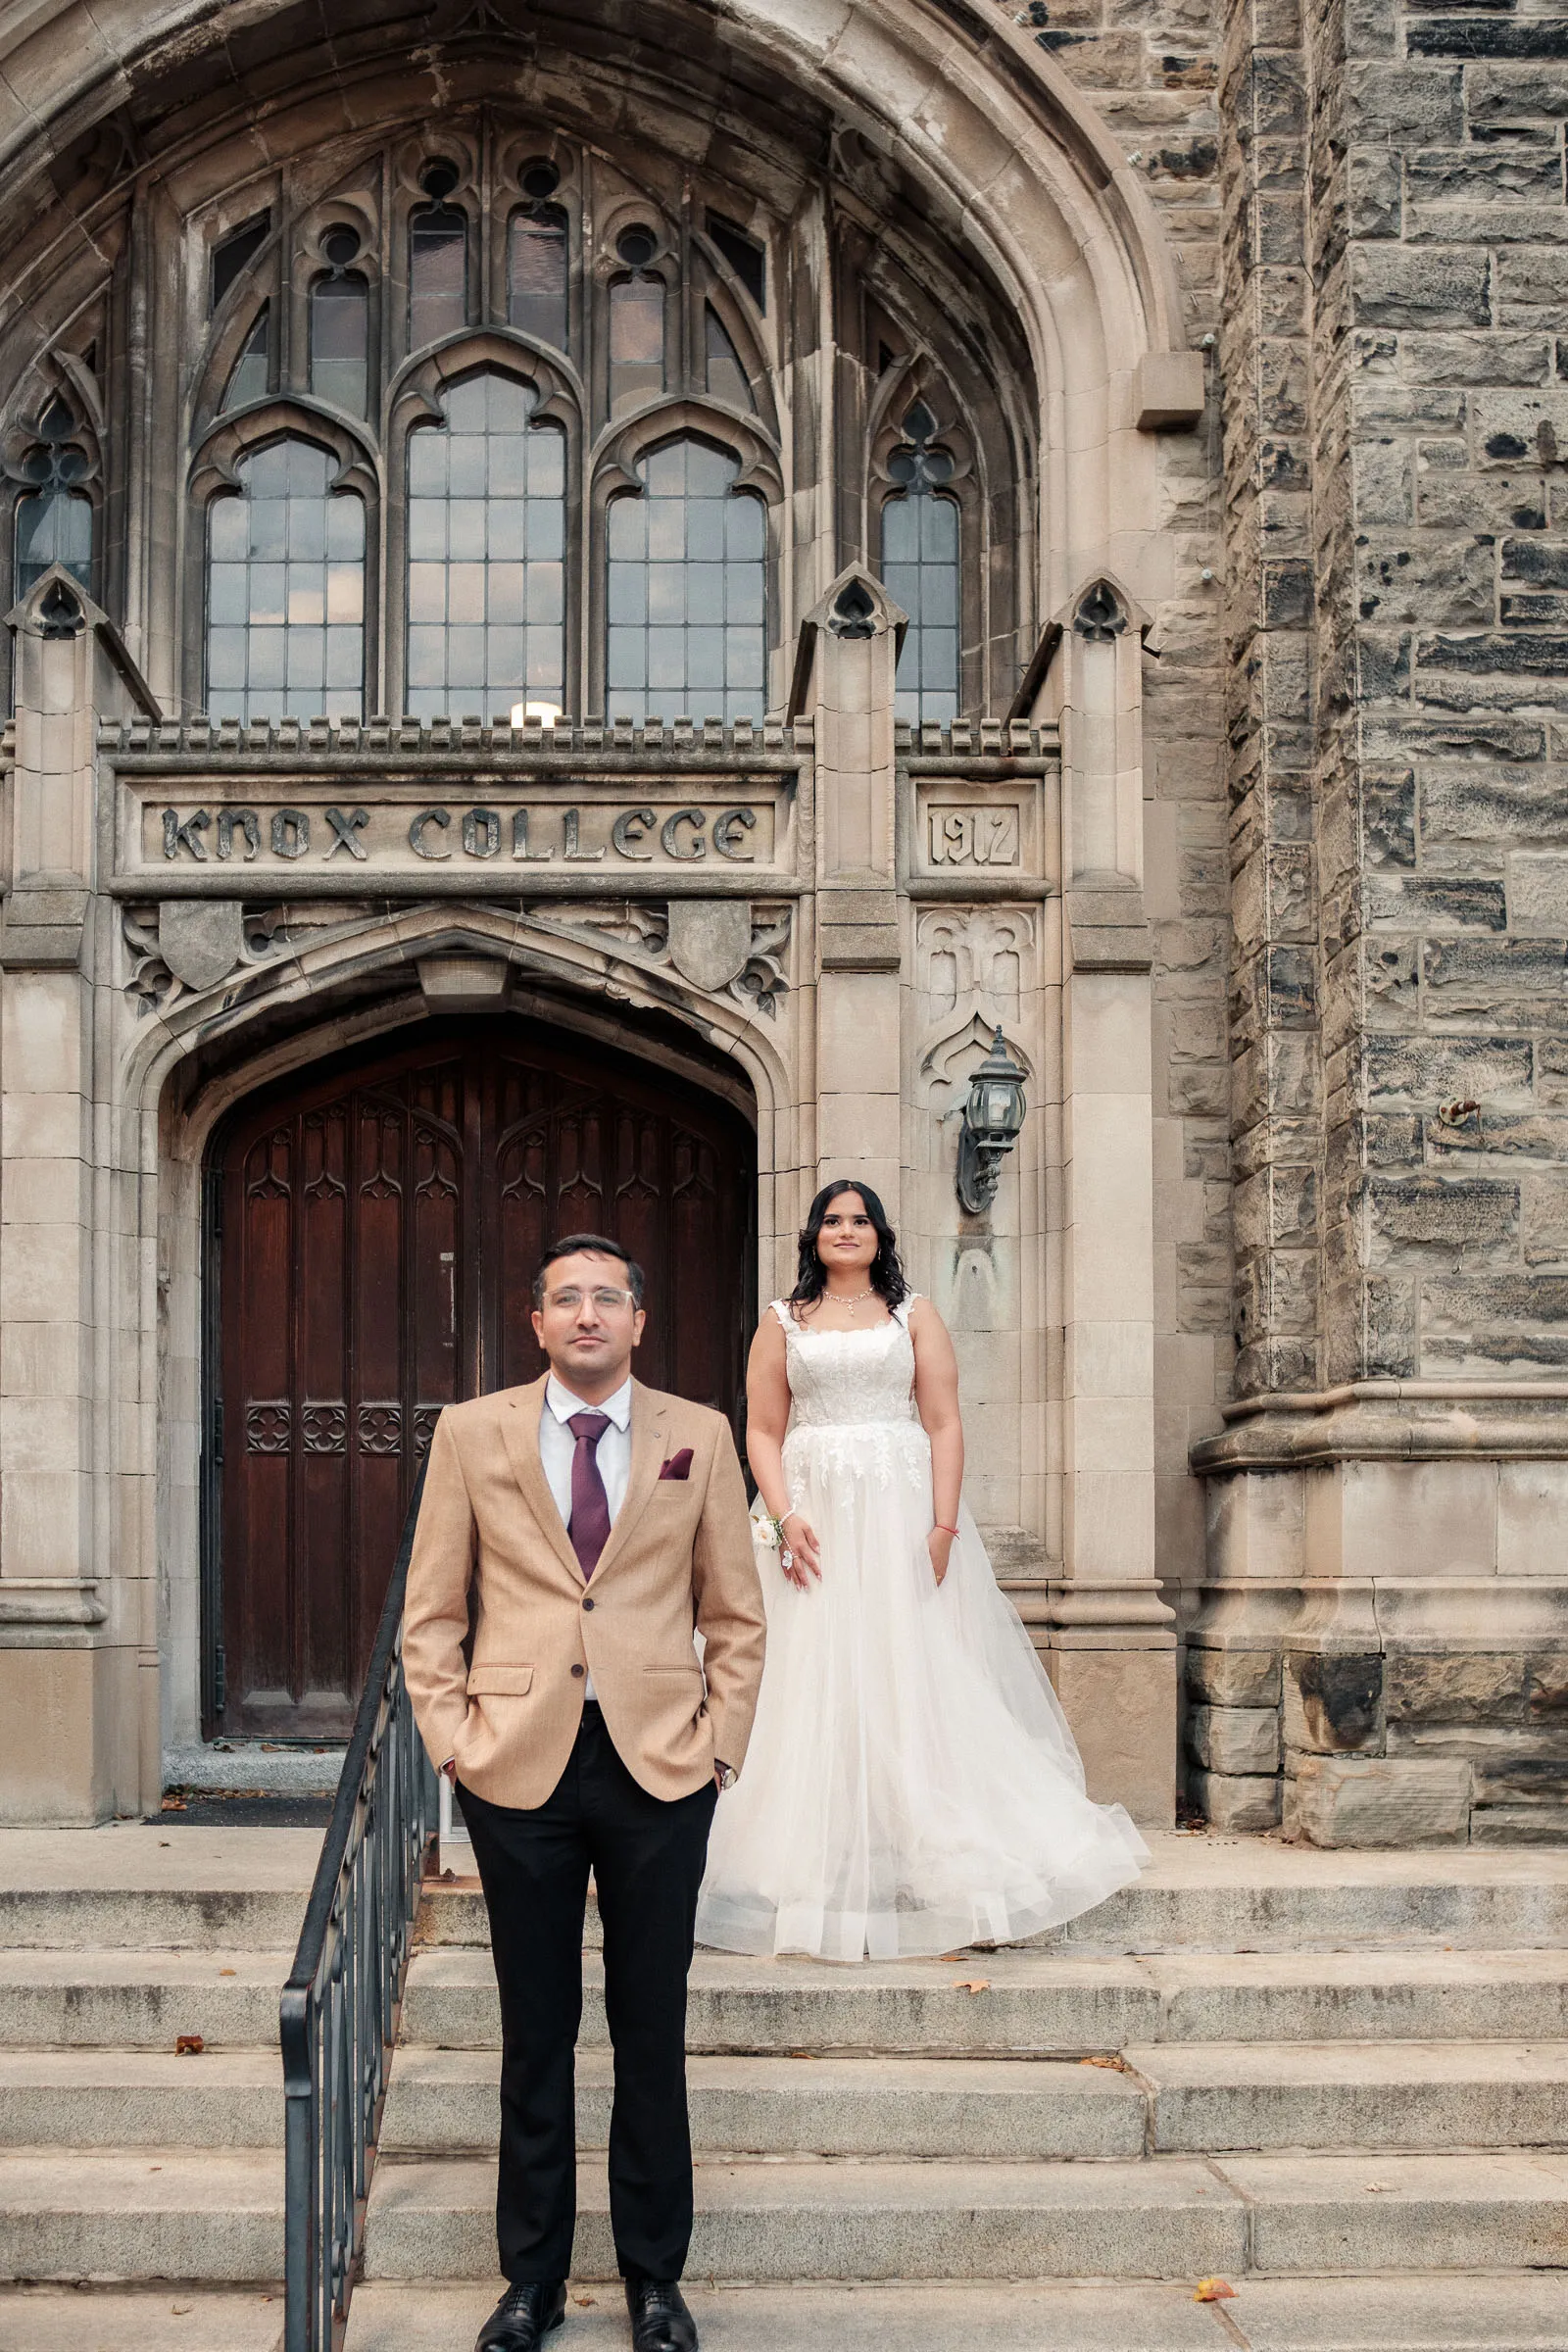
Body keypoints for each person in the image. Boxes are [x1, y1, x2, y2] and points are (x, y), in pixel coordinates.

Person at [405, 1235, 766, 2352]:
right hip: (518, 1764)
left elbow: (736, 1616)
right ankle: (533, 2286)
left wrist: (719, 1749)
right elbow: (432, 1609)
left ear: (639, 1322)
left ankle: (656, 2284)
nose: (588, 1314)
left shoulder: (699, 1437)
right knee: (535, 2034)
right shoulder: (470, 1433)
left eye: (608, 1297)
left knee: (649, 2033)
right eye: (567, 1299)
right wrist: (454, 1741)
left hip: (660, 1763)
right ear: (538, 1322)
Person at [696, 1181, 1148, 1962]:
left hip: (898, 1508)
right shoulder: (782, 1323)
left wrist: (941, 1523)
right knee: (808, 1665)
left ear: (879, 1234)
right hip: (812, 1513)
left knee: (907, 1658)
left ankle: (918, 1829)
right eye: (833, 1221)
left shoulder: (915, 1315)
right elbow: (764, 1429)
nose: (846, 1230)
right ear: (812, 1236)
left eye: (859, 1220)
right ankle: (803, 1843)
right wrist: (781, 1513)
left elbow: (943, 1421)